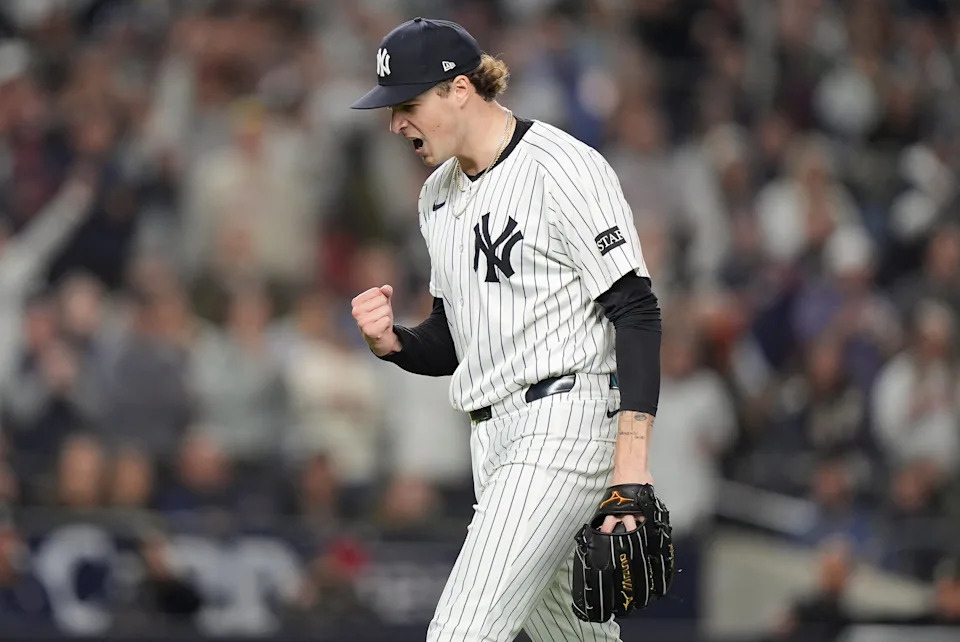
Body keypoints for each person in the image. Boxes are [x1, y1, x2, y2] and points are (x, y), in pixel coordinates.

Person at [349, 18, 664, 642]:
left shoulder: (564, 167)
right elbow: (453, 340)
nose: (395, 124)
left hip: (564, 427)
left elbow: (637, 311)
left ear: (459, 89)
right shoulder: (434, 195)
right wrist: (394, 344)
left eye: (408, 105)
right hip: (493, 442)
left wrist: (632, 469)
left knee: (461, 631)